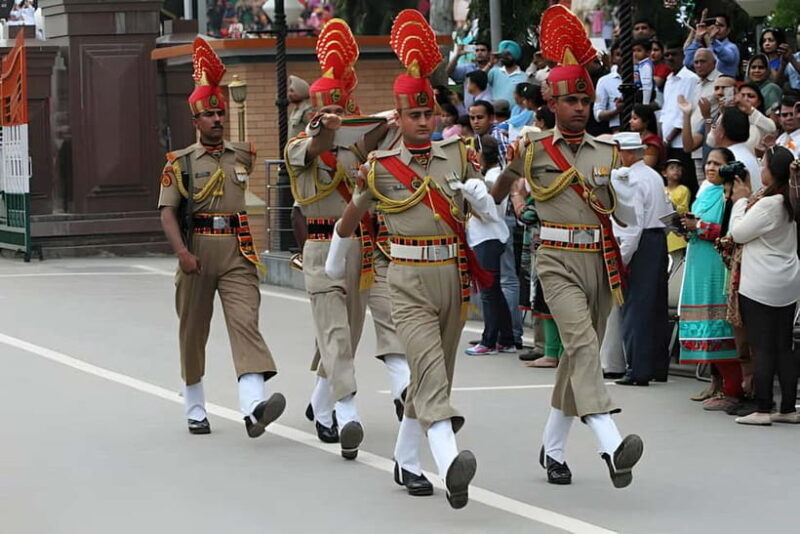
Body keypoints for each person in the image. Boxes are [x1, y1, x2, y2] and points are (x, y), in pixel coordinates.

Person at [327, 10, 486, 508]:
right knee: (428, 369)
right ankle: (449, 462)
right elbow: (350, 222)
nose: (423, 121)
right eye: (414, 115)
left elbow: (486, 209)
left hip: (452, 275)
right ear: (398, 116)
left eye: (429, 113)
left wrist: (487, 196)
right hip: (407, 277)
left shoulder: (458, 156)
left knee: (434, 372)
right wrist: (335, 265)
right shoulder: (380, 168)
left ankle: (405, 459)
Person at [492, 4, 643, 489]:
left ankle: (552, 451)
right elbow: (500, 188)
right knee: (580, 345)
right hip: (554, 260)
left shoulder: (609, 153)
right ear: (552, 105)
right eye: (570, 100)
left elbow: (625, 216)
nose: (579, 107)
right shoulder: (532, 149)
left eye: (585, 99)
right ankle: (611, 442)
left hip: (599, 261)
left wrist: (626, 190)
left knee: (580, 355)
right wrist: (494, 194)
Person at [285, 19, 410, 456]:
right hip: (322, 248)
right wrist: (326, 127)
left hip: (364, 244)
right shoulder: (299, 145)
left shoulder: (356, 149)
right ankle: (347, 414)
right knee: (337, 335)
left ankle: (389, 392)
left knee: (366, 326)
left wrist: (391, 118)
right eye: (325, 109)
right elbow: (318, 146)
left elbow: (385, 136)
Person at [158, 38, 284, 437]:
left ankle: (252, 408)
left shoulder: (241, 154)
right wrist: (181, 252)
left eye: (220, 113)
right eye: (209, 115)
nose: (217, 119)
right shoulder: (179, 163)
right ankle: (195, 407)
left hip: (238, 250)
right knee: (194, 333)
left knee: (246, 322)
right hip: (196, 252)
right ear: (195, 122)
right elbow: (166, 212)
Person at [727, 147, 800, 425]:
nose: (760, 168)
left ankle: (763, 408)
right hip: (786, 279)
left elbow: (738, 233)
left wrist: (740, 202)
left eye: (763, 164)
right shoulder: (788, 199)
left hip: (762, 281)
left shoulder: (770, 203)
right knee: (783, 344)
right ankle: (787, 409)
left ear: (772, 171)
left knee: (763, 345)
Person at [678, 147, 740, 410]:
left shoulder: (731, 195)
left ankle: (733, 390)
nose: (710, 167)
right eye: (708, 163)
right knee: (707, 325)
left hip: (717, 268)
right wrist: (687, 229)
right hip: (699, 264)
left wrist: (699, 227)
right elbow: (699, 224)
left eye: (717, 164)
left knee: (719, 326)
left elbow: (728, 231)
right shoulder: (705, 191)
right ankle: (717, 384)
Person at [611, 132, 672, 386]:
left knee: (636, 307)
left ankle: (638, 369)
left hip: (641, 242)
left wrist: (623, 258)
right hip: (658, 238)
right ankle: (658, 366)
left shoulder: (630, 179)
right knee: (656, 306)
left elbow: (631, 224)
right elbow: (667, 212)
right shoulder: (653, 175)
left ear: (625, 153)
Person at [465, 136, 514, 355]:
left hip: (489, 238)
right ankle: (506, 338)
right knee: (493, 291)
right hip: (484, 237)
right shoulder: (486, 176)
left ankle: (489, 341)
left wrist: (465, 198)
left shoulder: (493, 177)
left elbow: (488, 212)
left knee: (488, 291)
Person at [661, 43, 700, 188]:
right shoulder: (669, 79)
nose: (670, 58)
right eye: (667, 55)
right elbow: (666, 111)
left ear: (683, 56)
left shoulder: (690, 78)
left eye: (674, 54)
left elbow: (685, 112)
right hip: (667, 141)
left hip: (681, 142)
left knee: (685, 182)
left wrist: (669, 138)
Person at [684, 10, 740, 78]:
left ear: (728, 30)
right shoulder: (709, 49)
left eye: (720, 25)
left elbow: (727, 57)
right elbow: (688, 63)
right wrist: (697, 39)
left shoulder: (732, 47)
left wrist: (713, 40)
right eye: (714, 25)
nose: (716, 29)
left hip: (724, 86)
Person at [663, 159, 690, 263]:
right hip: (664, 231)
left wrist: (668, 201)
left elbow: (682, 209)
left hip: (676, 232)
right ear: (664, 173)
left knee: (676, 263)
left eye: (679, 168)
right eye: (672, 168)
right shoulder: (662, 189)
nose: (676, 170)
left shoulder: (683, 189)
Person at [593, 41, 623, 133]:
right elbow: (598, 113)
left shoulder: (643, 77)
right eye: (618, 55)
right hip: (617, 131)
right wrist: (616, 111)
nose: (623, 58)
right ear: (613, 58)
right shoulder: (605, 81)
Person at [488, 40, 528, 104]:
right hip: (495, 111)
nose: (504, 58)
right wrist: (490, 64)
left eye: (507, 55)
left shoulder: (524, 76)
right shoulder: (494, 72)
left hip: (515, 113)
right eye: (502, 55)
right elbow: (479, 80)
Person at [630, 104, 665, 170]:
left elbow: (646, 168)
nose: (630, 121)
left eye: (635, 118)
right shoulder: (637, 138)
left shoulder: (652, 144)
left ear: (646, 121)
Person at [288, 75, 313, 139]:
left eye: (292, 91)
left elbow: (313, 131)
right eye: (289, 91)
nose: (289, 94)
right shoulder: (296, 110)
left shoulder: (307, 110)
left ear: (301, 93)